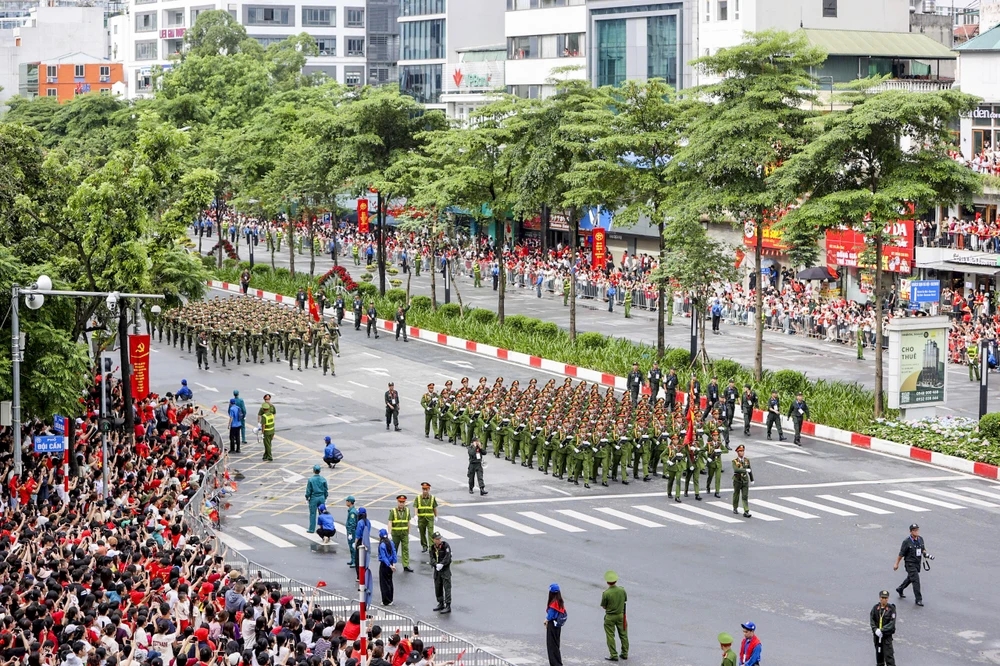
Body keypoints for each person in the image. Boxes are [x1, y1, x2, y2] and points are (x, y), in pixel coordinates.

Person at [894, 523, 929, 606]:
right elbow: (901, 554)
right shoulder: (906, 542)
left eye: (917, 530)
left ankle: (900, 588)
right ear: (911, 532)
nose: (916, 532)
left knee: (911, 577)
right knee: (916, 580)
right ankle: (918, 599)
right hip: (910, 563)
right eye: (914, 530)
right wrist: (896, 564)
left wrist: (924, 553)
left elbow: (923, 549)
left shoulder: (920, 539)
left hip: (917, 563)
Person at [600, 570, 628, 662]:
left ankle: (614, 655)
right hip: (621, 616)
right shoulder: (622, 590)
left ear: (607, 582)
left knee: (610, 636)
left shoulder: (606, 593)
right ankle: (625, 653)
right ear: (616, 581)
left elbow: (604, 606)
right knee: (623, 635)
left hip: (610, 617)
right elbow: (625, 600)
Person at [870, 590, 897, 666]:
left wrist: (882, 630)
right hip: (877, 636)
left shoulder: (891, 609)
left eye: (886, 598)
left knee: (889, 658)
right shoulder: (875, 608)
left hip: (886, 637)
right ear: (880, 598)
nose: (884, 599)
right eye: (883, 597)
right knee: (879, 657)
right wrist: (875, 630)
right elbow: (872, 620)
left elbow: (892, 623)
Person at [389, 495, 414, 573]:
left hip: (404, 534)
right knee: (394, 549)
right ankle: (392, 563)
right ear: (397, 502)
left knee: (405, 549)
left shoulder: (407, 510)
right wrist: (389, 533)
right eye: (400, 502)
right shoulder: (393, 511)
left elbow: (408, 522)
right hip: (396, 534)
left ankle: (406, 565)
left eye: (403, 502)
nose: (401, 504)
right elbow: (390, 522)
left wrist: (409, 533)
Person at [544, 584, 566, 666]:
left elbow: (550, 615)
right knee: (556, 645)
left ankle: (555, 664)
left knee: (551, 646)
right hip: (558, 625)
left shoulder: (553, 603)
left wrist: (546, 620)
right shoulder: (560, 601)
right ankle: (558, 662)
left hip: (552, 625)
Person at [430, 532, 452, 614]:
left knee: (447, 587)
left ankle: (448, 605)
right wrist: (436, 565)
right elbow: (431, 558)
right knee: (438, 587)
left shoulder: (445, 546)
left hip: (445, 570)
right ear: (434, 540)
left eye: (440, 538)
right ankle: (440, 603)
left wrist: (442, 564)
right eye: (437, 539)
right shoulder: (432, 547)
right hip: (437, 570)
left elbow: (448, 557)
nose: (439, 540)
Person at [414, 482, 439, 554]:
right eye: (423, 489)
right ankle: (424, 546)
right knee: (422, 533)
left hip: (430, 518)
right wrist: (415, 515)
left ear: (429, 489)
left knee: (431, 533)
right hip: (421, 518)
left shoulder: (432, 498)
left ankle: (431, 547)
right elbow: (416, 507)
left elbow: (434, 507)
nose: (425, 491)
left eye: (426, 489)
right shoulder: (418, 498)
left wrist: (436, 516)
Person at [305, 465, 328, 533]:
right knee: (322, 513)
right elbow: (325, 489)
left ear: (313, 471)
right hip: (321, 497)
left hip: (314, 498)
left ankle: (311, 529)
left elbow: (308, 490)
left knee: (312, 514)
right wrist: (325, 497)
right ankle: (324, 528)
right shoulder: (323, 479)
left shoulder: (311, 480)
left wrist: (307, 497)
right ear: (320, 471)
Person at [377, 529, 397, 606]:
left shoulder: (382, 545)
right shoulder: (391, 542)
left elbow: (383, 556)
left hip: (385, 565)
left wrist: (389, 565)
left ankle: (386, 600)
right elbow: (394, 552)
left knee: (384, 583)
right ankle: (390, 599)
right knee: (389, 582)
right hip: (391, 564)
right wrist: (393, 564)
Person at [732, 444, 752, 518]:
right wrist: (745, 470)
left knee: (745, 496)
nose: (742, 452)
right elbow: (736, 469)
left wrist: (752, 479)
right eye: (740, 451)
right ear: (737, 452)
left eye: (743, 451)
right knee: (736, 494)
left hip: (745, 480)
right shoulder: (734, 461)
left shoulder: (746, 460)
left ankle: (746, 511)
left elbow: (750, 470)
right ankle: (735, 507)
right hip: (737, 480)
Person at [257, 393, 276, 461]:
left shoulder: (271, 409)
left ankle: (269, 456)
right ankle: (265, 455)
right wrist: (258, 423)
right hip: (272, 429)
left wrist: (262, 432)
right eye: (266, 399)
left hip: (267, 431)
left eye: (268, 399)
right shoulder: (268, 413)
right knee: (268, 444)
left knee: (267, 444)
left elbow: (264, 425)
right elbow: (259, 415)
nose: (267, 400)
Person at [345, 496, 359, 568]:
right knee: (351, 546)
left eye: (347, 501)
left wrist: (350, 533)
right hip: (351, 531)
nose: (346, 502)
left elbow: (352, 523)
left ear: (350, 502)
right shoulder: (351, 510)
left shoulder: (352, 512)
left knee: (353, 546)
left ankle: (354, 561)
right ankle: (352, 559)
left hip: (352, 532)